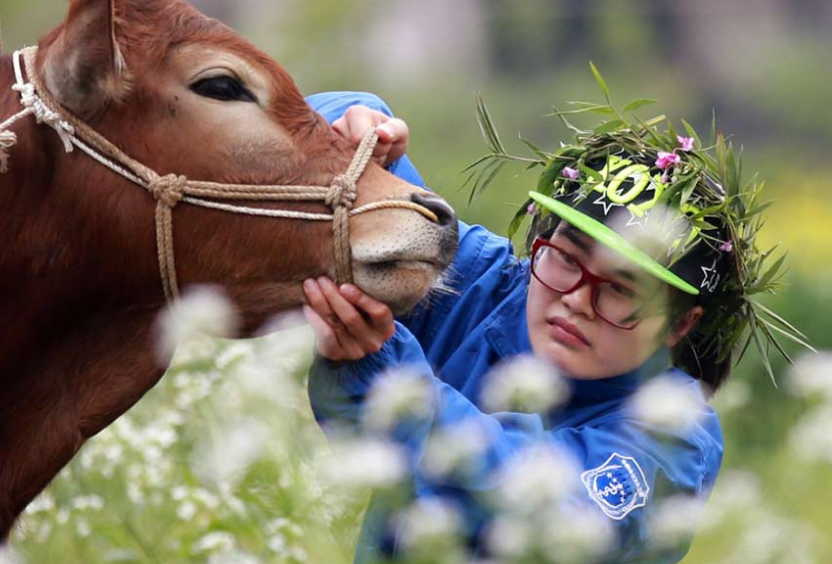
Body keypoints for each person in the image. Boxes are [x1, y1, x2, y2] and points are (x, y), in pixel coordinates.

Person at [299, 92, 783, 563]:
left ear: (680, 324)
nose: (576, 300)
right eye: (567, 258)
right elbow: (301, 129)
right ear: (537, 243)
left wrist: (386, 364)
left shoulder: (674, 433)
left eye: (622, 289)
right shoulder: (484, 283)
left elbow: (543, 509)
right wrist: (364, 129)